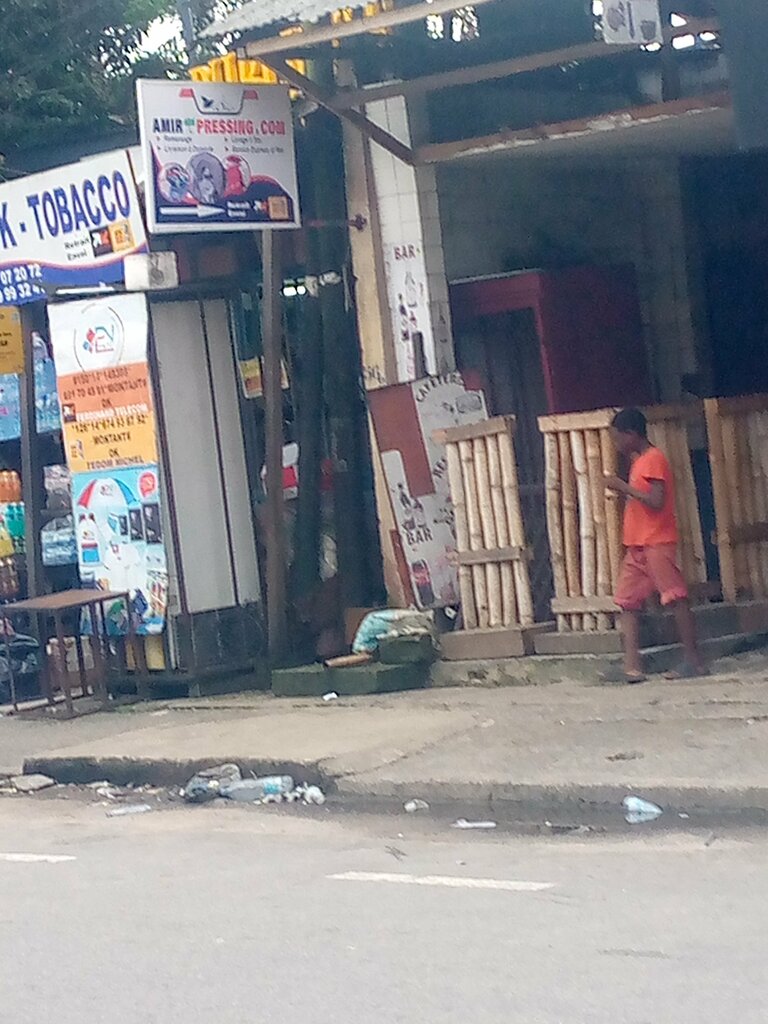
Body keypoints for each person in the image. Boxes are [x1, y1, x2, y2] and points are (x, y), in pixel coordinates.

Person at [604, 407, 707, 684]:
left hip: (656, 541)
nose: (617, 445)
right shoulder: (640, 460)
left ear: (632, 434)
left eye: (618, 438)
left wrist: (623, 487)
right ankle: (632, 666)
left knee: (675, 597)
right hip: (638, 543)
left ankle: (694, 661)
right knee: (627, 602)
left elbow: (656, 501)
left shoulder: (653, 459)